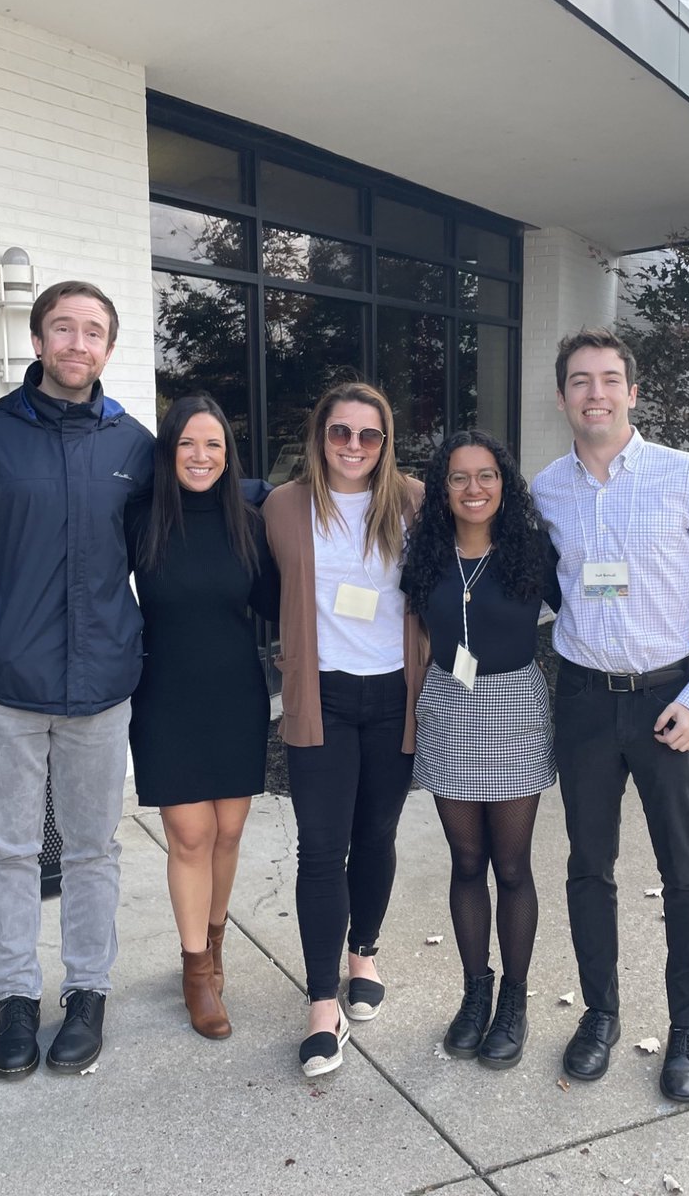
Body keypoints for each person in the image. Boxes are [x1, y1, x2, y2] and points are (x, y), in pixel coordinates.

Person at [0, 281, 154, 1079]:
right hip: (2, 682)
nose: (78, 344)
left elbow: (192, 528)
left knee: (91, 848)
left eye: (94, 332)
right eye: (63, 329)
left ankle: (87, 992)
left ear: (109, 349)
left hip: (100, 684)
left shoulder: (134, 446)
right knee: (8, 849)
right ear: (39, 341)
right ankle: (15, 997)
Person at [532, 327, 689, 1103]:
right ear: (562, 397)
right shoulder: (544, 491)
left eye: (610, 379)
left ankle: (686, 1030)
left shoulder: (687, 479)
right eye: (581, 381)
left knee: (684, 873)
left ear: (633, 391)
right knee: (588, 868)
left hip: (668, 702)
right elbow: (543, 586)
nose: (596, 392)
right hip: (585, 701)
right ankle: (600, 1015)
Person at [263, 381, 426, 1078]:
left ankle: (365, 953)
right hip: (320, 700)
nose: (353, 447)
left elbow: (480, 559)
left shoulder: (416, 502)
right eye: (340, 433)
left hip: (395, 698)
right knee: (321, 850)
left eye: (368, 435)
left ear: (386, 443)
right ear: (319, 436)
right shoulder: (284, 507)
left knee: (376, 837)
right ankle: (322, 1004)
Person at [400, 431, 560, 1070]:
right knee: (466, 861)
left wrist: (675, 620)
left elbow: (592, 604)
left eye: (486, 475)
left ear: (504, 483)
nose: (474, 489)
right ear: (443, 487)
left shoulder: (530, 550)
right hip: (450, 705)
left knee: (512, 864)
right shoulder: (425, 553)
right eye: (460, 477)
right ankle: (476, 992)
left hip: (515, 707)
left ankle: (514, 1001)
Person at [126, 394, 279, 1040]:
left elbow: (281, 596)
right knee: (189, 834)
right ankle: (195, 971)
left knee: (226, 832)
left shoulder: (247, 520)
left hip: (235, 693)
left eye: (213, 444)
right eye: (188, 443)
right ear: (168, 449)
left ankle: (214, 946)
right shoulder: (138, 518)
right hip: (165, 694)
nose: (201, 455)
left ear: (228, 454)